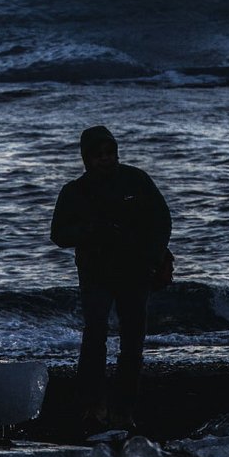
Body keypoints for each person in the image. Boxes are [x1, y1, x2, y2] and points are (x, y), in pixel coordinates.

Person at [50, 125, 172, 434]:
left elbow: (161, 220)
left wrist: (156, 257)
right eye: (99, 155)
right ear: (87, 159)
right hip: (96, 274)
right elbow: (58, 234)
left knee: (133, 343)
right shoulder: (75, 191)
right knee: (95, 337)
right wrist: (91, 232)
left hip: (135, 272)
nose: (106, 159)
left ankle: (123, 411)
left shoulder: (136, 180)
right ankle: (93, 406)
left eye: (110, 153)